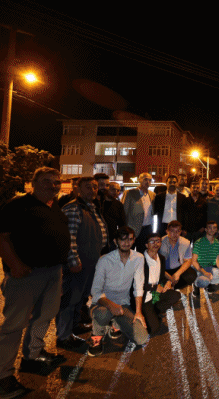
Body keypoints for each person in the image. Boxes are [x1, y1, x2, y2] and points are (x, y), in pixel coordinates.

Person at [0, 167, 70, 397]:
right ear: (33, 183)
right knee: (14, 325)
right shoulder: (17, 205)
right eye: (47, 181)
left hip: (52, 272)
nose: (53, 185)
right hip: (26, 274)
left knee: (45, 315)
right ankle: (3, 376)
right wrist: (15, 265)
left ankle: (32, 356)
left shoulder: (54, 206)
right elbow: (2, 237)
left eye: (56, 182)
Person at [56, 177, 108, 350]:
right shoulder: (73, 209)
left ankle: (75, 326)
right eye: (88, 187)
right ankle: (63, 336)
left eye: (94, 187)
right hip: (78, 263)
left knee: (81, 297)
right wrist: (73, 260)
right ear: (77, 189)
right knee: (70, 299)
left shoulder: (90, 208)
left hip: (90, 262)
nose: (92, 190)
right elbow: (69, 237)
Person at [87, 226, 149, 357]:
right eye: (123, 239)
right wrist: (111, 305)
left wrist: (138, 312)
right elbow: (96, 290)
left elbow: (139, 286)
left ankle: (115, 323)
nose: (127, 243)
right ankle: (96, 335)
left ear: (134, 240)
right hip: (102, 304)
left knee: (142, 338)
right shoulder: (104, 260)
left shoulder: (139, 258)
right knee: (103, 314)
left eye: (130, 239)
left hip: (123, 305)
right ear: (115, 241)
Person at [141, 233, 181, 335]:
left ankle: (155, 311)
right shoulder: (140, 260)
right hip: (144, 297)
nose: (155, 244)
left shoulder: (161, 258)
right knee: (153, 329)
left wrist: (167, 282)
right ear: (146, 245)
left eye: (158, 241)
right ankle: (145, 313)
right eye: (152, 241)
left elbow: (161, 278)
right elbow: (135, 284)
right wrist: (153, 287)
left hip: (156, 295)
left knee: (176, 295)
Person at [191, 221, 219, 294]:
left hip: (211, 268)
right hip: (200, 269)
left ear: (216, 230)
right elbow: (194, 261)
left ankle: (210, 282)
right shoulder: (199, 242)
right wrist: (204, 272)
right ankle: (196, 283)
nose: (212, 230)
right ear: (206, 229)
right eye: (210, 228)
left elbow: (218, 259)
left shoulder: (216, 242)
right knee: (204, 281)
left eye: (214, 228)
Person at [122, 172, 156, 253]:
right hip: (132, 230)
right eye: (145, 179)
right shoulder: (130, 193)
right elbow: (124, 212)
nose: (148, 182)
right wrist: (124, 230)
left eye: (150, 180)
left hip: (147, 229)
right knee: (128, 253)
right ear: (139, 180)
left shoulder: (152, 195)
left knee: (144, 253)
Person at [159, 221, 197, 290]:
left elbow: (188, 261)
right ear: (167, 231)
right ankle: (169, 285)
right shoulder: (160, 242)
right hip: (163, 270)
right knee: (157, 277)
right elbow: (156, 263)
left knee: (192, 275)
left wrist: (177, 274)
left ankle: (174, 286)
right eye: (172, 231)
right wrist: (170, 278)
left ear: (180, 232)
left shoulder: (185, 242)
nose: (175, 234)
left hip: (177, 268)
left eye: (178, 231)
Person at [95, 174, 126, 253]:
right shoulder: (95, 202)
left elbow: (122, 223)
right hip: (95, 240)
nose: (116, 192)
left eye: (118, 190)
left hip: (111, 241)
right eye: (113, 189)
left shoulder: (118, 204)